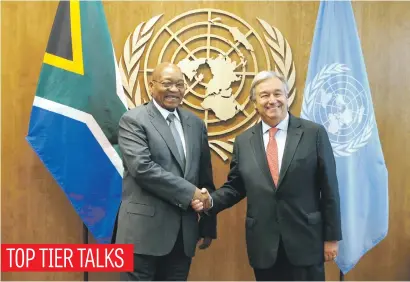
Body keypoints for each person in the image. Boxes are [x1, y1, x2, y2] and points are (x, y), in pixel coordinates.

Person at [193, 71, 342, 281]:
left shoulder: (313, 134)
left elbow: (330, 189)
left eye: (277, 93)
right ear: (255, 102)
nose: (272, 100)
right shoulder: (244, 141)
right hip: (264, 244)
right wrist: (209, 201)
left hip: (306, 241)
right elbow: (235, 187)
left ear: (287, 97)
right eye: (264, 95)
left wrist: (332, 237)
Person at [115, 62, 216, 281]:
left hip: (183, 238)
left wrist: (208, 221)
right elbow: (142, 168)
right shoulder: (133, 120)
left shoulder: (195, 124)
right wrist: (191, 193)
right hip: (142, 236)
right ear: (151, 86)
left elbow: (204, 177)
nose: (174, 90)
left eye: (180, 84)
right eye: (167, 83)